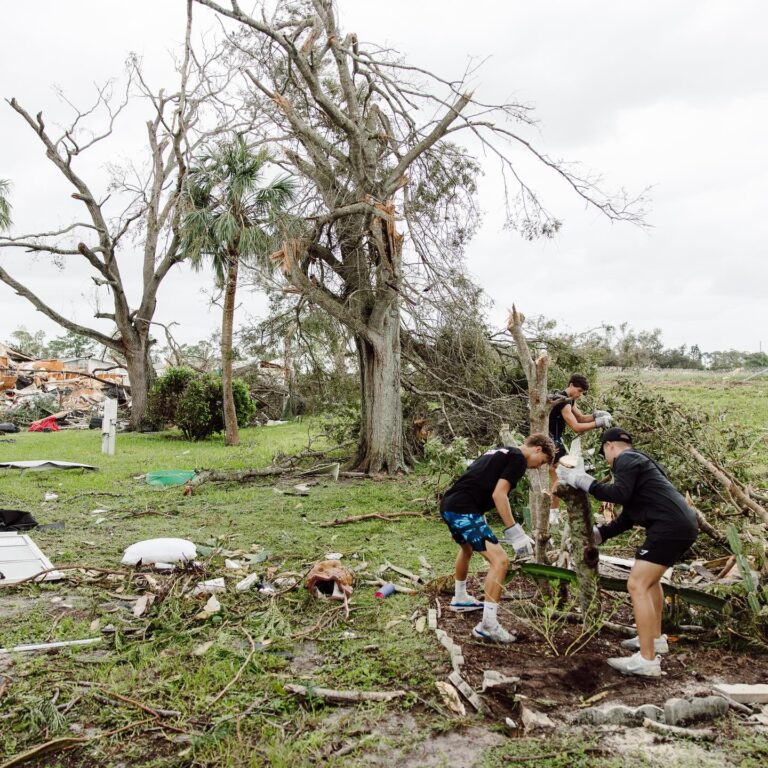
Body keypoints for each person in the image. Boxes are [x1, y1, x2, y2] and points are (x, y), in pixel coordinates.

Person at [558, 427, 698, 677]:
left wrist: (581, 480)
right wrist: (599, 534)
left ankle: (647, 660)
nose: (608, 461)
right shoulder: (641, 465)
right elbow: (629, 515)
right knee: (651, 582)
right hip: (681, 525)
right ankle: (654, 640)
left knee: (636, 584)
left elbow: (619, 494)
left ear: (609, 445)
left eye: (604, 454)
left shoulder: (627, 459)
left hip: (668, 527)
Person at [440, 433, 556, 643]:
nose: (539, 467)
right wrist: (515, 532)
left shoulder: (500, 450)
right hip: (464, 510)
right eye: (543, 461)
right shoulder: (518, 459)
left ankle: (460, 597)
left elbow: (475, 476)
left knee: (466, 549)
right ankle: (488, 625)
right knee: (500, 561)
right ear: (537, 449)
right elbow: (499, 495)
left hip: (451, 504)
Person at [548, 373, 612, 524]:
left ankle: (554, 512)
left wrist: (597, 415)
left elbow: (581, 418)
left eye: (582, 392)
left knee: (559, 477)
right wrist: (598, 423)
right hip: (551, 441)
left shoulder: (569, 399)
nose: (580, 394)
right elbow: (576, 427)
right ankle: (553, 513)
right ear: (570, 385)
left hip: (554, 440)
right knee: (559, 476)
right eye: (579, 390)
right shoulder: (563, 402)